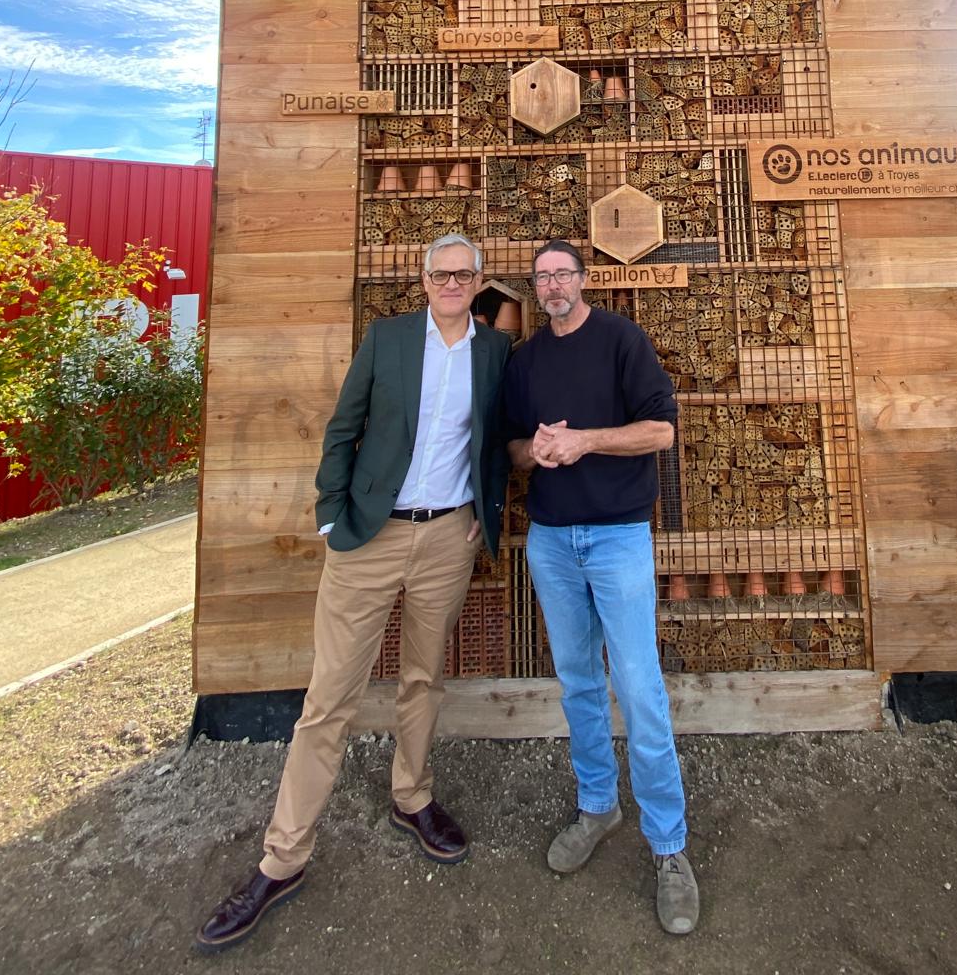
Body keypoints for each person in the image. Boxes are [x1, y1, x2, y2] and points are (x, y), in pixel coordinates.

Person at [196, 234, 510, 953]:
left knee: (424, 679)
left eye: (464, 274)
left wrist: (483, 513)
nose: (452, 283)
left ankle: (412, 797)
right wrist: (330, 516)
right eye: (441, 273)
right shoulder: (388, 338)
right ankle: (282, 860)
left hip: (448, 539)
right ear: (424, 279)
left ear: (478, 282)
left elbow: (495, 440)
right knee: (329, 697)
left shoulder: (495, 351)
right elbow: (343, 429)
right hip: (370, 536)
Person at [504, 240, 699, 936]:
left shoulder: (621, 339)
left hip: (618, 538)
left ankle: (669, 846)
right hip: (551, 542)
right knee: (579, 682)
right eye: (542, 277)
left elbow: (661, 431)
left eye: (563, 273)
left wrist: (585, 440)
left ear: (583, 280)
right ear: (535, 289)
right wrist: (537, 451)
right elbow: (511, 448)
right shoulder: (525, 360)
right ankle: (597, 807)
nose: (553, 285)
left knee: (639, 686)